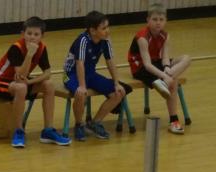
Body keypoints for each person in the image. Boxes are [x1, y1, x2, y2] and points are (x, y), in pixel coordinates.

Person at [0, 16, 70, 148]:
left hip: (20, 82)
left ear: (42, 36)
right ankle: (18, 131)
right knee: (21, 88)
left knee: (49, 85)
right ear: (23, 34)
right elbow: (20, 76)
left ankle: (48, 130)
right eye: (29, 33)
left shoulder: (42, 48)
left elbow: (47, 73)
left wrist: (31, 82)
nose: (32, 37)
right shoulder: (16, 48)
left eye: (36, 34)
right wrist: (29, 55)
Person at [127, 3, 191, 134]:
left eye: (161, 19)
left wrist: (167, 68)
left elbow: (165, 57)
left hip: (156, 63)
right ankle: (174, 121)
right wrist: (164, 75)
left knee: (187, 58)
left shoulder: (165, 36)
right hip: (140, 67)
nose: (158, 23)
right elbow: (147, 65)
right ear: (148, 20)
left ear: (165, 21)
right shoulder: (142, 37)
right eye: (155, 19)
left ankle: (165, 81)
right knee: (173, 82)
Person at [63, 11, 126, 142]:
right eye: (104, 28)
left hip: (90, 73)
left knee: (119, 93)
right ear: (92, 30)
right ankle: (79, 125)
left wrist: (116, 83)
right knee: (81, 94)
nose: (107, 31)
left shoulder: (105, 41)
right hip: (72, 74)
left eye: (108, 27)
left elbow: (110, 62)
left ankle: (95, 123)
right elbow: (79, 64)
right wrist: (82, 86)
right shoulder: (83, 40)